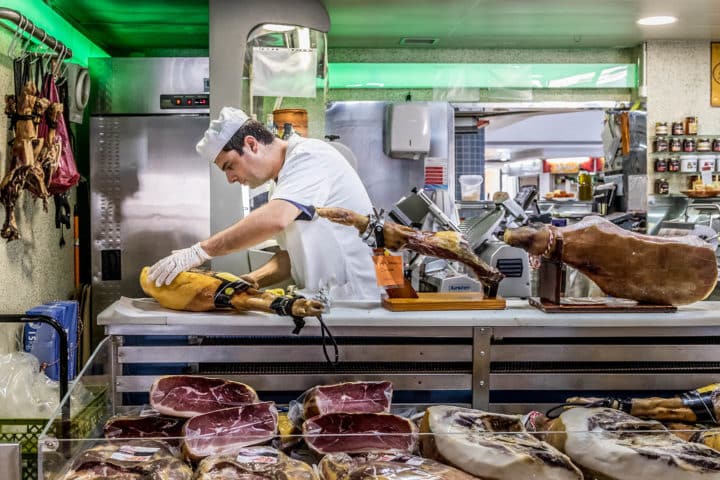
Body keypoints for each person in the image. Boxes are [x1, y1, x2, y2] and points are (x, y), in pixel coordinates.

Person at [147, 107, 381, 301]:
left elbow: (275, 219)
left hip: (355, 301)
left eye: (229, 166)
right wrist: (252, 279)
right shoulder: (279, 185)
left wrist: (200, 251)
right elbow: (288, 256)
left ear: (251, 144)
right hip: (322, 302)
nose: (231, 179)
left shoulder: (309, 156)